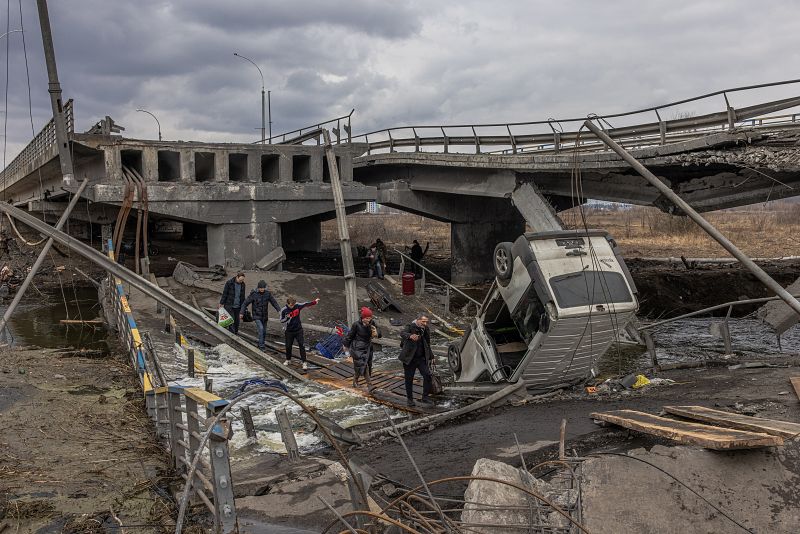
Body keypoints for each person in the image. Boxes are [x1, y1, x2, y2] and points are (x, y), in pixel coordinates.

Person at [398, 314, 434, 407]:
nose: (425, 323)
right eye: (423, 321)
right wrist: (410, 336)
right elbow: (402, 333)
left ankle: (425, 397)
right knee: (409, 379)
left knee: (427, 375)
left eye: (426, 322)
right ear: (418, 320)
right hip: (409, 358)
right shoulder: (410, 326)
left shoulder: (426, 329)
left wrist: (431, 356)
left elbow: (427, 344)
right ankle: (410, 399)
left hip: (421, 358)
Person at [343, 307, 381, 389]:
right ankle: (369, 385)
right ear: (363, 318)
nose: (369, 319)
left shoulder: (372, 323)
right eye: (367, 318)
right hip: (357, 347)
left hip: (368, 347)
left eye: (370, 318)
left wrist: (376, 332)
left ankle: (355, 381)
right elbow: (350, 336)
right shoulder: (356, 324)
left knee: (366, 365)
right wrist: (345, 346)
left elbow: (380, 334)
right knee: (362, 365)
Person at [280, 296, 320, 370]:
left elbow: (305, 304)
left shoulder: (297, 306)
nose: (292, 306)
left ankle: (304, 362)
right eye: (291, 305)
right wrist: (287, 317)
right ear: (287, 304)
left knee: (302, 345)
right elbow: (281, 320)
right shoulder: (284, 310)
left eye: (293, 305)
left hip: (298, 330)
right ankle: (288, 360)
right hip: (289, 331)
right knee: (288, 346)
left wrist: (314, 302)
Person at [239, 280, 280, 351]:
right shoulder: (253, 294)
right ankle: (261, 347)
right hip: (256, 316)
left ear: (265, 287)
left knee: (264, 331)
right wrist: (241, 313)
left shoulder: (268, 294)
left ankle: (261, 343)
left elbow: (274, 302)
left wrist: (279, 310)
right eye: (260, 288)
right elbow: (245, 303)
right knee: (261, 329)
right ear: (258, 287)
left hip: (264, 316)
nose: (262, 289)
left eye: (263, 288)